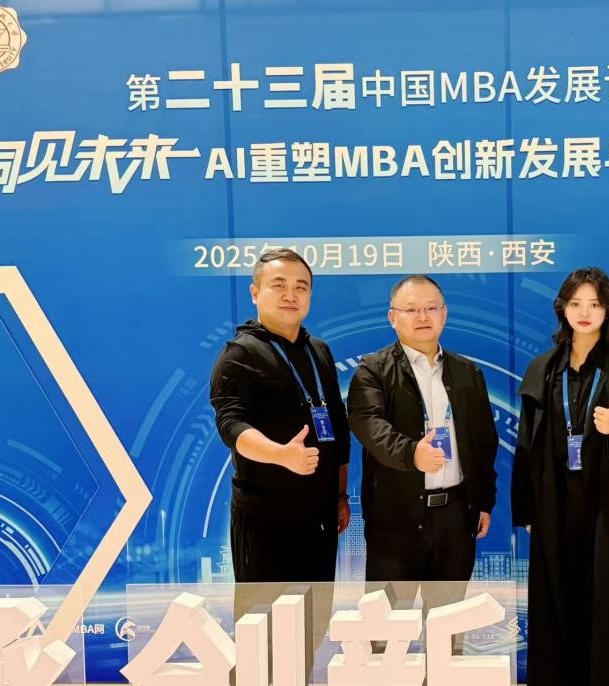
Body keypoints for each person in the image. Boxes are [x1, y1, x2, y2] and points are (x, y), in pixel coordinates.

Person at [511, 267, 609, 686]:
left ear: (607, 311)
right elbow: (526, 444)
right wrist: (527, 508)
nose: (584, 312)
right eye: (576, 303)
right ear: (562, 308)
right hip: (556, 505)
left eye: (594, 305)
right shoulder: (543, 369)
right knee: (558, 603)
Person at [210, 248, 351, 677]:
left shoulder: (318, 350)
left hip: (319, 518)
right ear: (255, 292)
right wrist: (281, 455)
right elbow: (231, 425)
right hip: (265, 519)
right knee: (264, 632)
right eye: (279, 285)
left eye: (301, 287)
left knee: (310, 627)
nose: (291, 295)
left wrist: (340, 495)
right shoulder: (240, 354)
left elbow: (337, 427)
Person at [347, 274, 498, 611]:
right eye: (411, 309)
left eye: (431, 308)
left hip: (455, 516)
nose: (422, 317)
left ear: (444, 313)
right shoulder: (373, 370)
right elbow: (368, 424)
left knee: (448, 621)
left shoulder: (468, 372)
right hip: (396, 518)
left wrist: (484, 501)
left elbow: (484, 441)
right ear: (393, 317)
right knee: (386, 625)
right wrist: (412, 453)